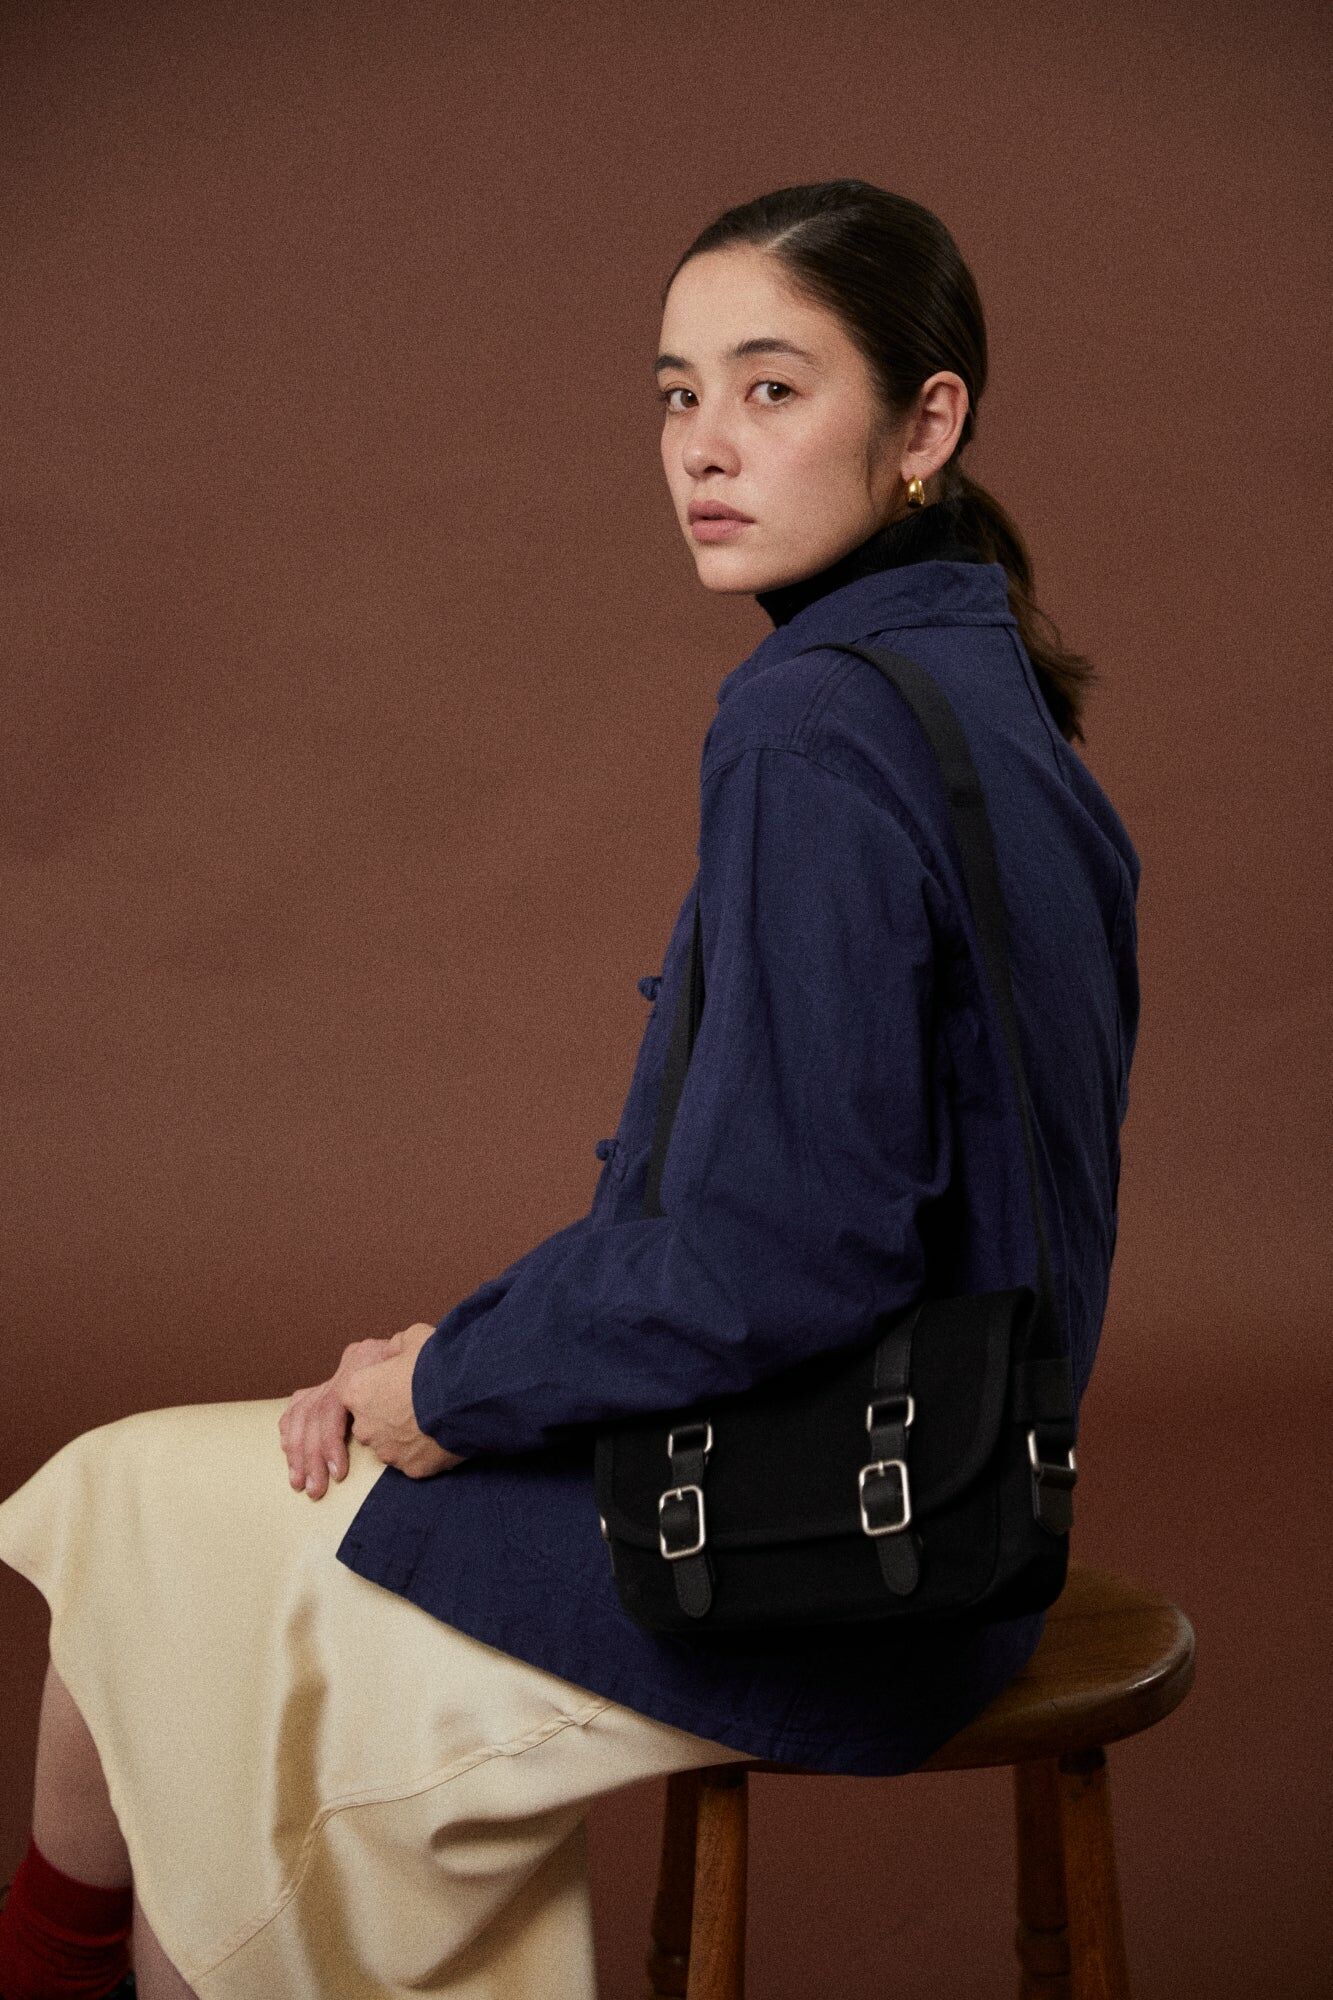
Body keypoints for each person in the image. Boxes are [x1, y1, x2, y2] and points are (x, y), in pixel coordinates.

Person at [0, 179, 1142, 2000]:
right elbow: (798, 1216)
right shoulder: (980, 686)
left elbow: (784, 1250)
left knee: (142, 1529)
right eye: (677, 394)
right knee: (145, 1519)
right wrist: (481, 1353)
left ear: (925, 423)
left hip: (833, 1562)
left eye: (772, 389)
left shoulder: (809, 722)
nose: (704, 446)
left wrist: (454, 1387)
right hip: (955, 1505)